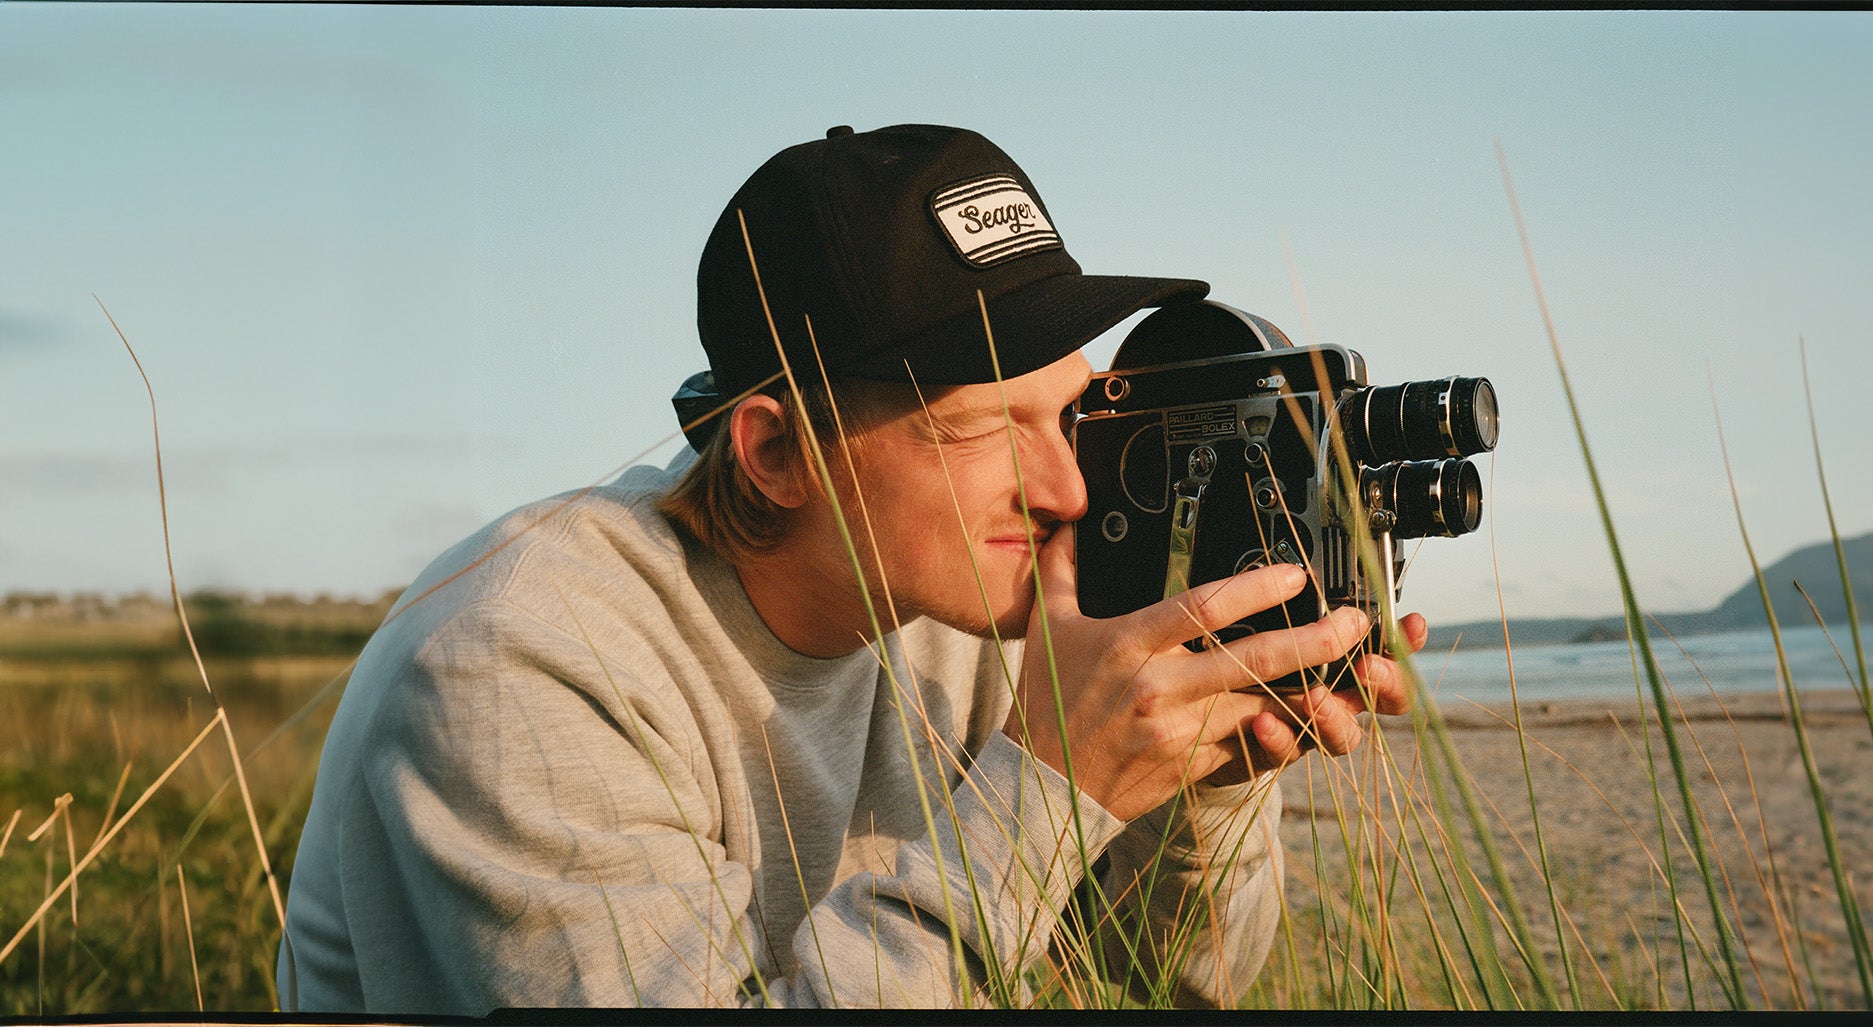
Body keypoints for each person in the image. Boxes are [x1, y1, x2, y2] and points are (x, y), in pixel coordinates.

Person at [277, 123, 1425, 1012]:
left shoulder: (977, 601)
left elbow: (1160, 983)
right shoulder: (516, 663)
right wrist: (1050, 785)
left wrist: (1199, 780)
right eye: (979, 425)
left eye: (1068, 411)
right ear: (775, 451)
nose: (1068, 488)